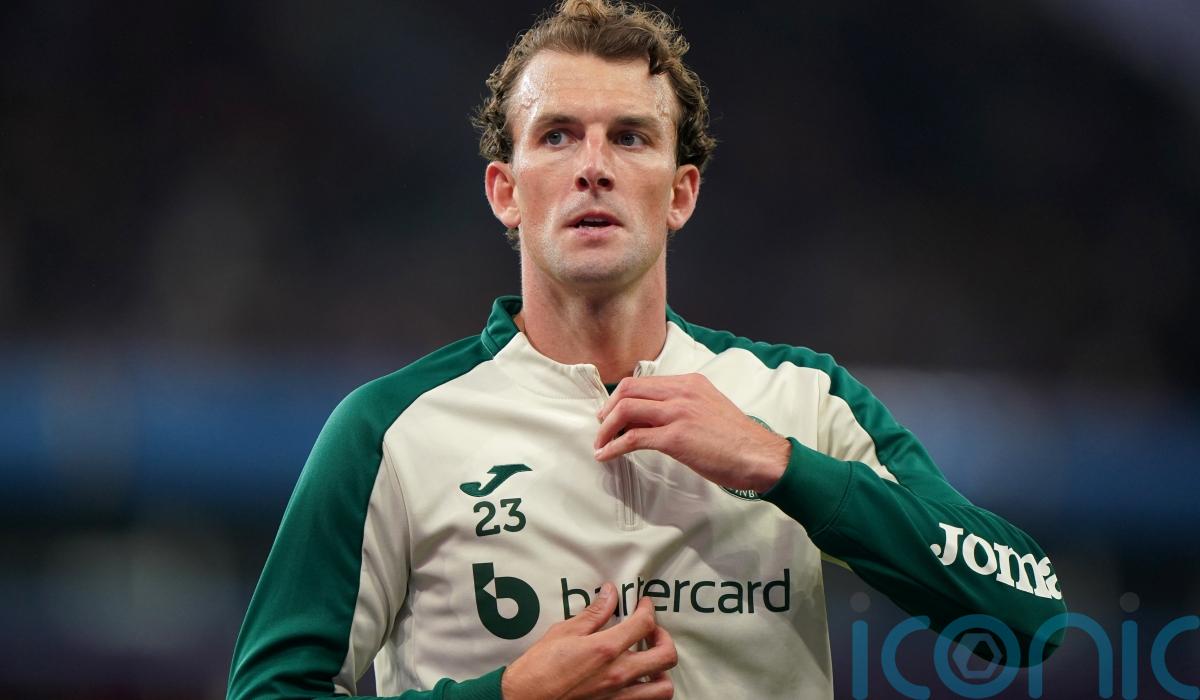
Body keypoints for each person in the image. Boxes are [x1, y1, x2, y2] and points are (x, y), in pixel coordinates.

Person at [227, 1, 1066, 698]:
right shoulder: (389, 431)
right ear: (505, 191)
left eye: (630, 137)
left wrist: (782, 466)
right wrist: (507, 697)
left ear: (681, 193)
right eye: (557, 135)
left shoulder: (804, 401)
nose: (593, 167)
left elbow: (1031, 618)